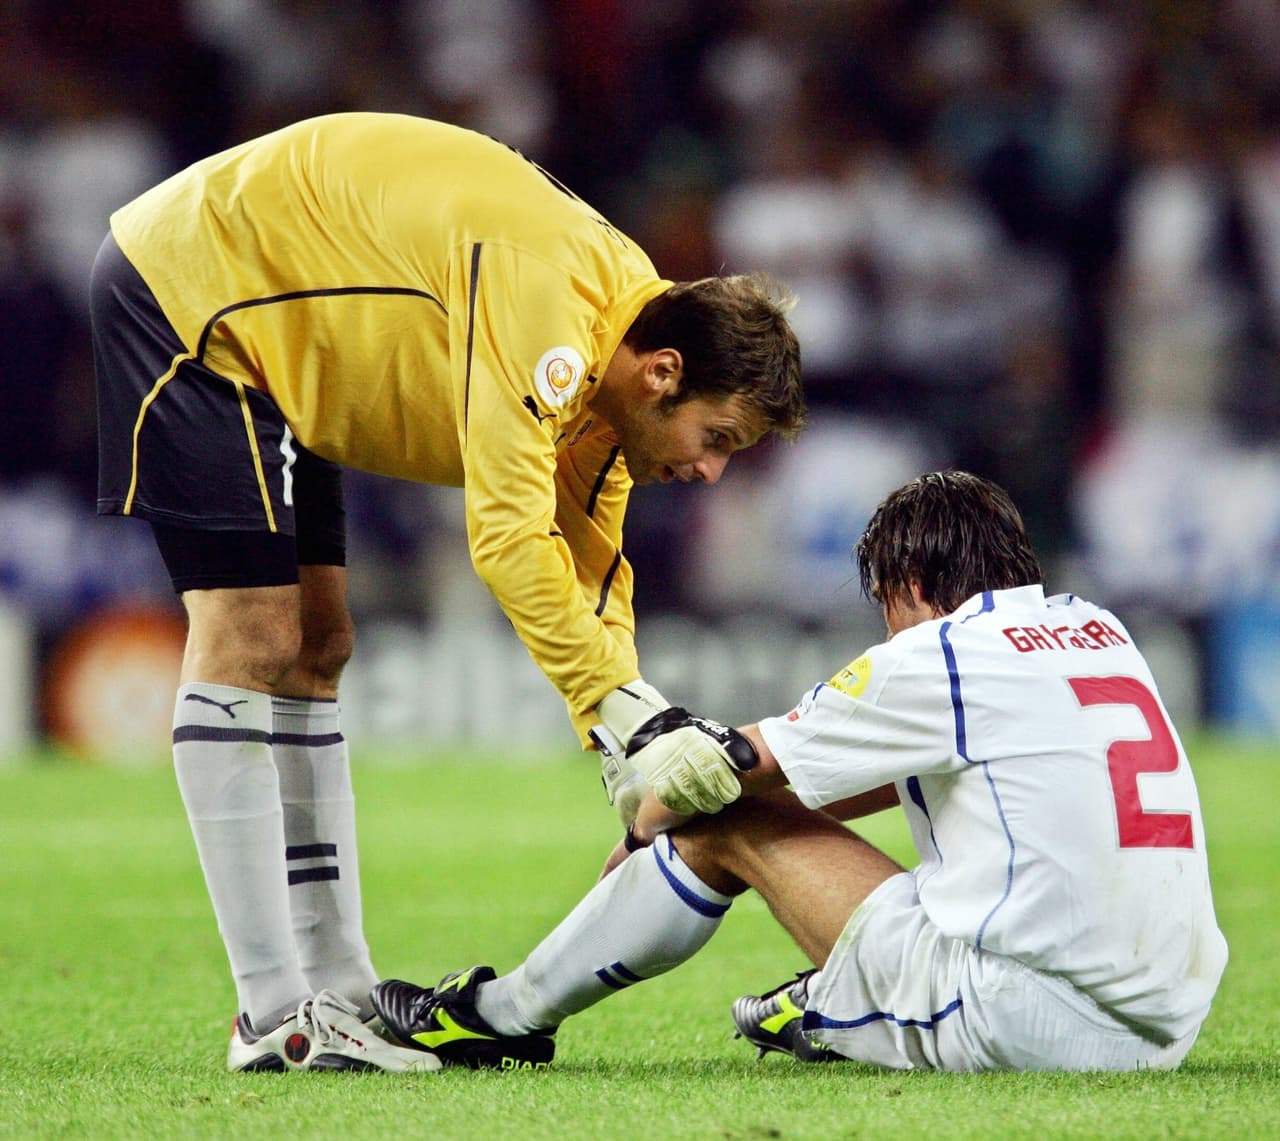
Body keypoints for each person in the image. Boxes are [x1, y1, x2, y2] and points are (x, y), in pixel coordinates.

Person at [90, 112, 805, 1073]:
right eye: (716, 439)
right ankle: (275, 1019)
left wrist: (623, 748)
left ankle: (337, 988)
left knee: (318, 647)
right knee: (252, 633)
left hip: (284, 338)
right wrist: (626, 716)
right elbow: (508, 537)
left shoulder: (619, 344)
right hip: (194, 292)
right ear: (665, 374)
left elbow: (586, 565)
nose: (711, 472)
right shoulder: (551, 311)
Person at [369, 471, 1228, 1073]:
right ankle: (838, 996)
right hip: (1167, 1025)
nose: (887, 628)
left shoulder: (939, 652)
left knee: (720, 815)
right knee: (755, 811)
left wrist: (646, 827)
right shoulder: (1095, 628)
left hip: (1030, 1019)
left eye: (885, 604)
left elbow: (714, 770)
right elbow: (865, 777)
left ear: (914, 583)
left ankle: (499, 1017)